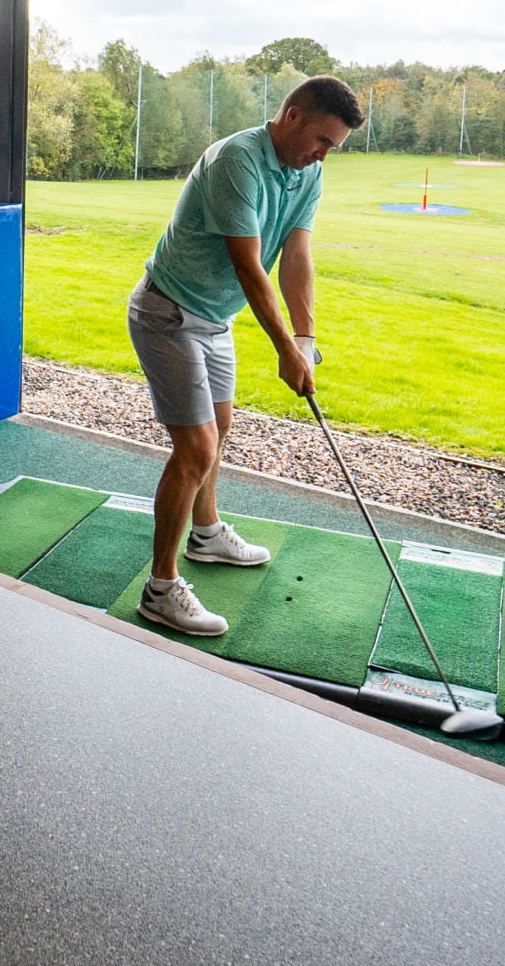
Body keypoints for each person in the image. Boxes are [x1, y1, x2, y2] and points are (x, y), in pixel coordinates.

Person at [125, 76, 364, 637]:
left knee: (220, 426)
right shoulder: (238, 160)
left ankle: (206, 534)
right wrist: (283, 349)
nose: (323, 155)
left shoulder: (308, 172)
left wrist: (305, 340)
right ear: (292, 115)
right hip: (168, 312)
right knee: (196, 447)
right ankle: (160, 588)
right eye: (322, 140)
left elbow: (297, 255)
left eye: (333, 147)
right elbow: (248, 264)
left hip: (215, 318)